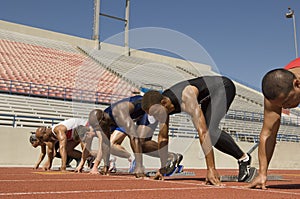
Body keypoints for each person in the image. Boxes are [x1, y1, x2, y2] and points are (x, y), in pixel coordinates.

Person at [141, 76, 252, 185]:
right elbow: (163, 138)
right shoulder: (161, 107)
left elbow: (203, 132)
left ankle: (244, 158)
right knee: (209, 131)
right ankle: (242, 158)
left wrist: (211, 169)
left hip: (223, 87)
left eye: (155, 113)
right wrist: (163, 168)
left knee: (210, 131)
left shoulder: (186, 97)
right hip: (206, 97)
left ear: (164, 103)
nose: (156, 117)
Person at [77, 95, 183, 177]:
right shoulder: (104, 121)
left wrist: (139, 167)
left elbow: (133, 137)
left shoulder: (119, 114)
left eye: (98, 126)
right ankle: (172, 156)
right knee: (140, 145)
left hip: (149, 108)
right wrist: (105, 165)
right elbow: (105, 143)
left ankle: (170, 157)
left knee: (141, 143)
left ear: (103, 120)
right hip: (137, 115)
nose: (98, 130)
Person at [247, 58, 300, 190]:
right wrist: (262, 173)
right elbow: (268, 133)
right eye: (281, 105)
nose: (285, 107)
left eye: (287, 101)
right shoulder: (276, 91)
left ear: (297, 84)